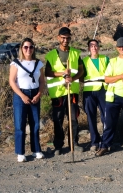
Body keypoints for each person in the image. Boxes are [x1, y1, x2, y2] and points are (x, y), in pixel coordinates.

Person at [45, 27, 84, 155]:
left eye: (67, 38)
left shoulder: (75, 53)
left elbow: (81, 71)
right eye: (63, 38)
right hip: (57, 93)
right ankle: (58, 145)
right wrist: (62, 73)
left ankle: (74, 143)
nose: (65, 40)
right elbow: (47, 72)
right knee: (58, 119)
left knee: (73, 118)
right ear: (58, 38)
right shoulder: (51, 55)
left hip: (71, 92)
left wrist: (73, 78)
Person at [9, 38, 45, 162]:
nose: (28, 49)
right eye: (25, 47)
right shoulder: (16, 63)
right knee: (20, 124)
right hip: (21, 94)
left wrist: (38, 95)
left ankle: (36, 150)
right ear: (21, 49)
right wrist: (22, 95)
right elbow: (12, 81)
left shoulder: (38, 63)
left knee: (35, 123)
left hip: (35, 93)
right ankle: (20, 152)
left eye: (31, 47)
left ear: (34, 48)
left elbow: (42, 82)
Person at [82, 39, 109, 152]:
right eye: (91, 46)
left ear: (99, 47)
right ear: (89, 48)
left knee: (105, 117)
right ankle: (94, 141)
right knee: (91, 117)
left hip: (103, 90)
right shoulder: (84, 61)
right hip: (89, 91)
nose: (94, 47)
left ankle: (105, 141)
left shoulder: (105, 59)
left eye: (96, 45)